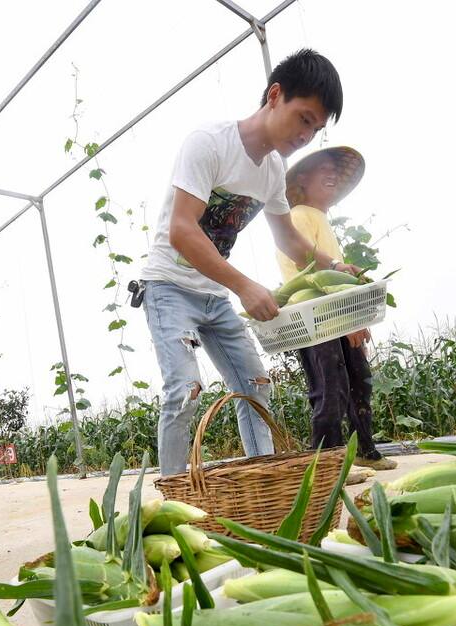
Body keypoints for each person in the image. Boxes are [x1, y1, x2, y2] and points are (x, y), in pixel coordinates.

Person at [140, 49, 363, 476]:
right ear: (275, 95)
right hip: (168, 286)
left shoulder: (273, 170)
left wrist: (336, 268)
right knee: (185, 390)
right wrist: (245, 286)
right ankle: (172, 492)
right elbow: (182, 231)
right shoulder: (209, 143)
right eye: (304, 118)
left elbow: (289, 238)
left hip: (213, 294)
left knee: (256, 387)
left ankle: (260, 479)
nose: (306, 135)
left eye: (316, 129)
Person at [277, 147, 397, 470]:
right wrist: (349, 319)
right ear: (302, 178)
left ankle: (364, 451)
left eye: (335, 170)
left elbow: (336, 279)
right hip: (316, 318)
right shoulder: (300, 215)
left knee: (360, 381)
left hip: (338, 316)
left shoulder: (319, 219)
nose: (331, 174)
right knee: (331, 391)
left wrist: (356, 316)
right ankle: (328, 467)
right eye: (322, 169)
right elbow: (316, 276)